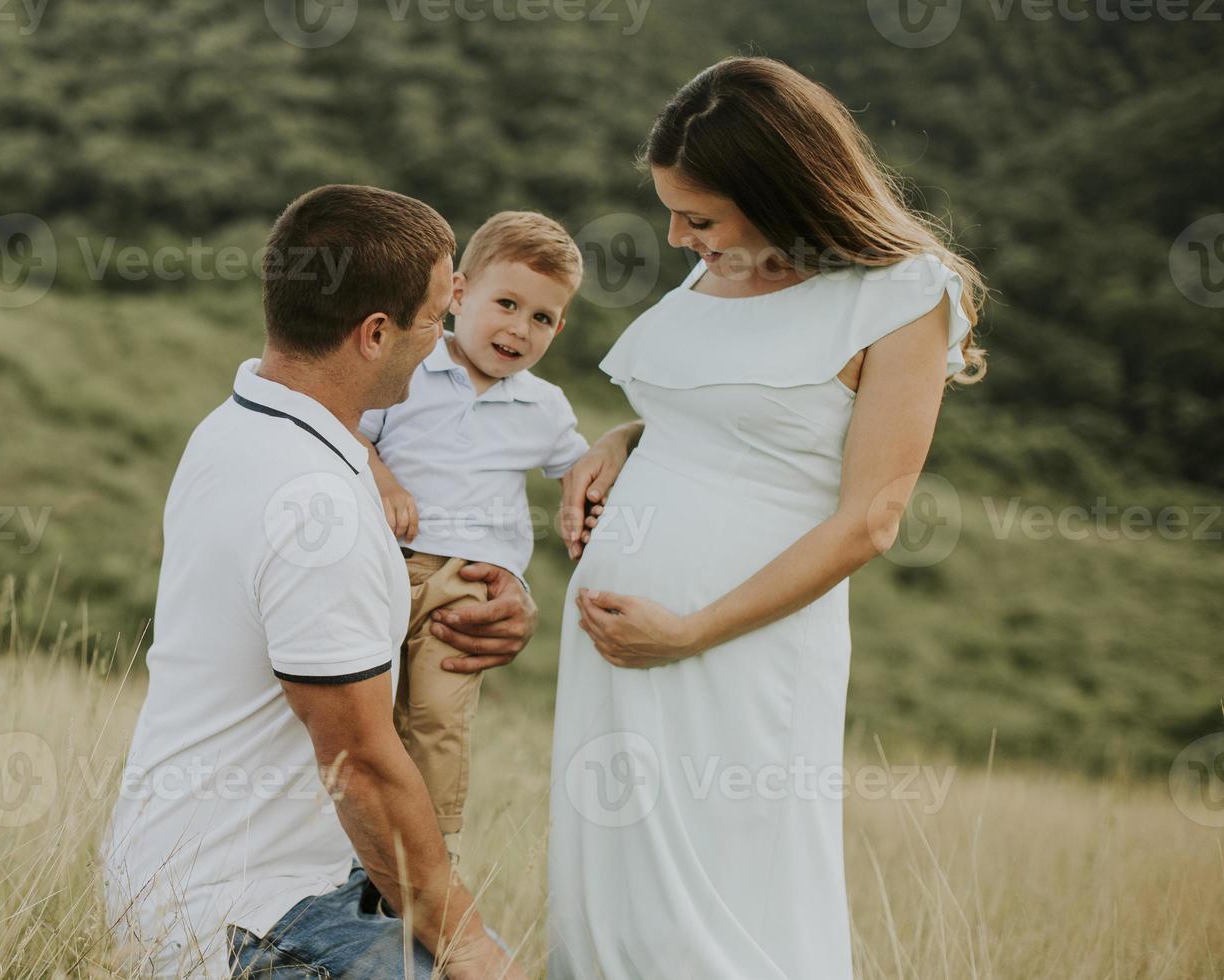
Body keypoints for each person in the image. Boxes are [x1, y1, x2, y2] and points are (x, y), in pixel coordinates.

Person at [547, 56, 988, 979]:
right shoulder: (718, 270)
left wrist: (692, 629)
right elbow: (726, 404)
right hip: (618, 655)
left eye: (698, 216)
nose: (674, 236)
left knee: (731, 905)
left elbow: (872, 517)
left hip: (741, 648)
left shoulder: (900, 295)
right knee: (612, 903)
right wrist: (628, 436)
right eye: (671, 210)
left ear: (780, 192)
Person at [101, 184, 537, 979]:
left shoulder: (243, 421)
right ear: (375, 334)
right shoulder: (316, 506)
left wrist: (496, 589)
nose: (442, 339)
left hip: (191, 870)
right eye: (435, 318)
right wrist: (471, 949)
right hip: (252, 913)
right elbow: (360, 766)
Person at [356, 210, 593, 862]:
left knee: (439, 719)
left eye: (542, 318)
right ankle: (348, 842)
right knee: (365, 709)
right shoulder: (411, 366)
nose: (519, 328)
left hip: (469, 581)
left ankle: (431, 852)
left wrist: (600, 480)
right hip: (387, 564)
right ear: (459, 294)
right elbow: (349, 430)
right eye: (506, 304)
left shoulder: (544, 407)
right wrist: (382, 480)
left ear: (559, 327)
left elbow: (579, 466)